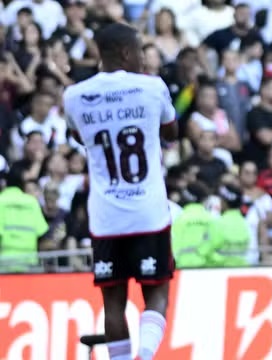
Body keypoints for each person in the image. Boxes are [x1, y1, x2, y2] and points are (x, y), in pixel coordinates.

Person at [62, 23, 179, 360]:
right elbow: (171, 132)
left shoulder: (74, 96)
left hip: (106, 218)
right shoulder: (151, 88)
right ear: (128, 53)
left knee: (113, 303)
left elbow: (77, 135)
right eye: (141, 50)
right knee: (157, 293)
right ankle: (143, 354)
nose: (144, 57)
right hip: (148, 213)